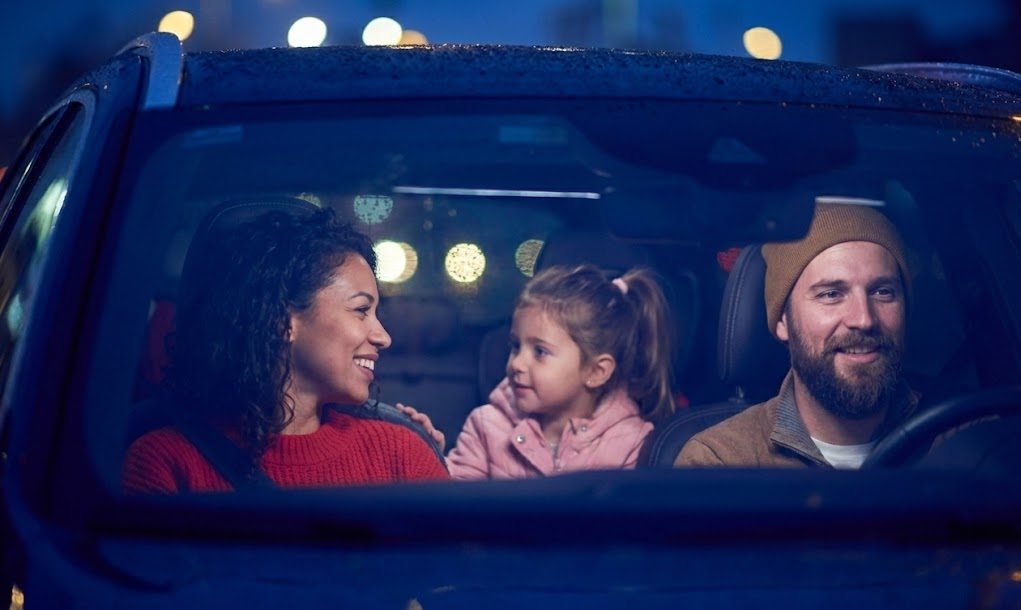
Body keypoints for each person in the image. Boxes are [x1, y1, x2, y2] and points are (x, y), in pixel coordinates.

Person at [122, 205, 449, 493]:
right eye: (361, 310)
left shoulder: (402, 452)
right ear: (282, 320)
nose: (383, 337)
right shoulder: (161, 463)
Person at [675, 202, 918, 469]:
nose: (863, 319)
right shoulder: (722, 462)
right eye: (831, 294)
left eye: (882, 291)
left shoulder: (959, 437)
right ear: (783, 320)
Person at [445, 263, 676, 479]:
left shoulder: (632, 442)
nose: (516, 363)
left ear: (596, 371)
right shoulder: (486, 426)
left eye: (540, 351)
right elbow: (452, 505)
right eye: (516, 346)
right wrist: (428, 454)